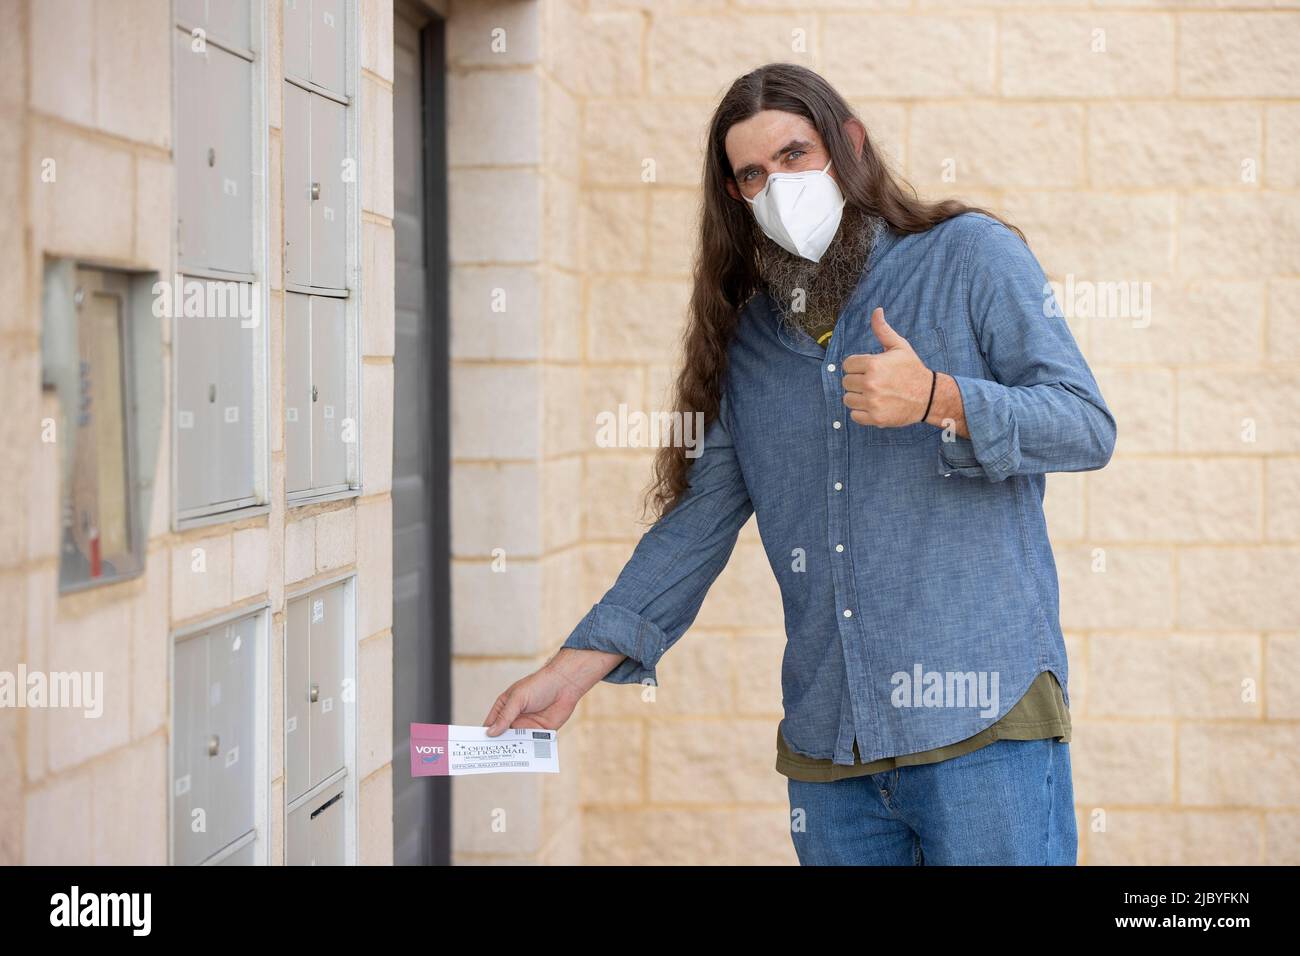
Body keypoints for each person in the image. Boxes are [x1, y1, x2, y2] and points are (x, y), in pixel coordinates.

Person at [483, 62, 1115, 866]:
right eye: (752, 174)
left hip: (983, 732)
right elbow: (696, 526)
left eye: (793, 155)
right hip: (832, 760)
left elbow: (1086, 425)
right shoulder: (753, 341)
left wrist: (941, 398)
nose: (777, 185)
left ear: (847, 145)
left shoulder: (969, 258)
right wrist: (573, 671)